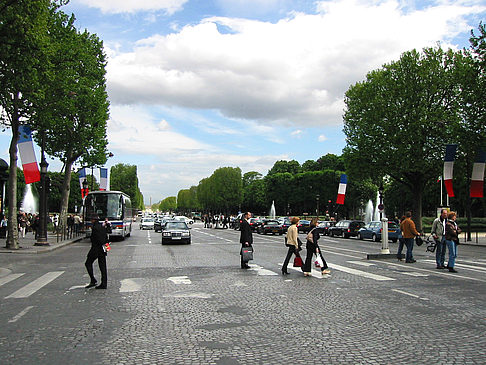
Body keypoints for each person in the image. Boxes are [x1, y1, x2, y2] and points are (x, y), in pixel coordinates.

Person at [85, 216, 108, 289]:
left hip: (96, 248)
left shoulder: (95, 228)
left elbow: (95, 239)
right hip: (103, 247)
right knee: (103, 266)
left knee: (88, 263)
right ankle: (104, 283)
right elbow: (108, 233)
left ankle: (93, 280)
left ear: (93, 220)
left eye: (91, 219)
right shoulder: (102, 226)